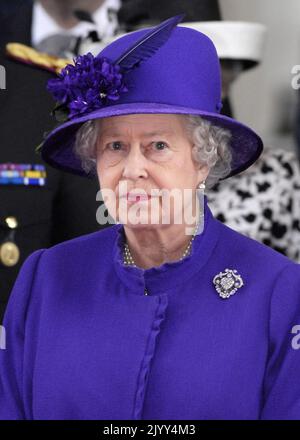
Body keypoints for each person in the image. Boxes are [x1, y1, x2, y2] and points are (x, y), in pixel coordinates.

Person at [1, 15, 300, 420]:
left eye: (158, 145)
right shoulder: (47, 278)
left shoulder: (279, 293)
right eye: (115, 146)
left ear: (203, 158)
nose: (132, 168)